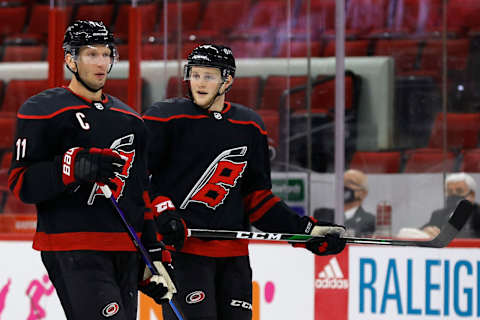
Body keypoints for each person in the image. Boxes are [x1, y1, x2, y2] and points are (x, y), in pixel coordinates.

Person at [143, 44, 347, 320]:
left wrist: (306, 232)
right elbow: (137, 178)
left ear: (227, 80)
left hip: (234, 259)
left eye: (209, 76)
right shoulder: (165, 117)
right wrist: (162, 211)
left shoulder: (249, 125)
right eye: (196, 74)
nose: (200, 83)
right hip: (183, 253)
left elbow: (258, 199)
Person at [8, 20, 175, 319]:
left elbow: (140, 195)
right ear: (71, 59)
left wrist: (153, 259)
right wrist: (71, 168)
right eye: (90, 54)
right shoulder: (43, 110)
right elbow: (22, 183)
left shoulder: (131, 120)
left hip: (125, 248)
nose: (101, 62)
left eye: (106, 54)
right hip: (73, 245)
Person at [314, 169, 375, 237]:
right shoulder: (321, 214)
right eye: (342, 182)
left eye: (350, 182)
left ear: (363, 193)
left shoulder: (370, 220)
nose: (344, 185)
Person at [421, 172, 480, 238]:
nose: (454, 195)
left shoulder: (478, 214)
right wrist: (426, 232)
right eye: (450, 192)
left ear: (472, 195)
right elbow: (418, 232)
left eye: (459, 191)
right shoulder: (438, 215)